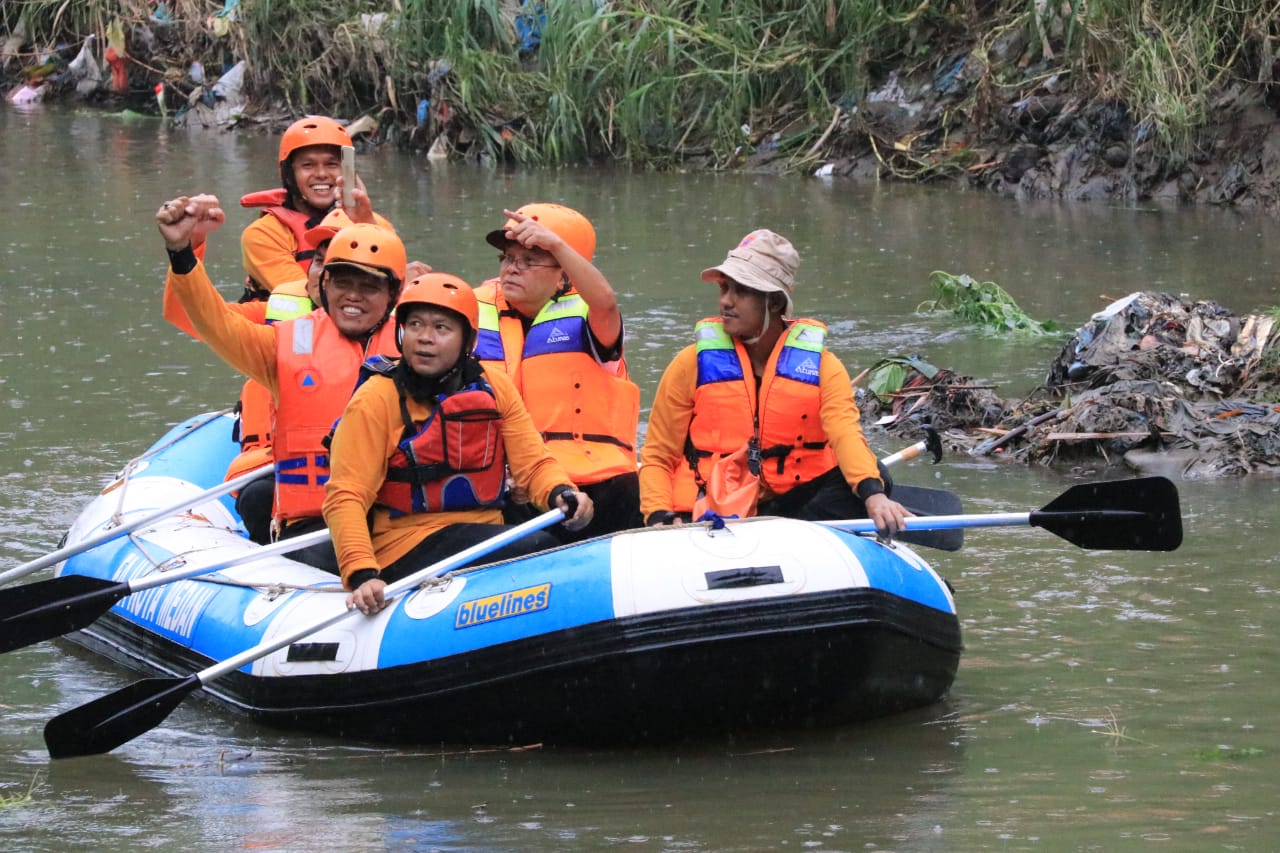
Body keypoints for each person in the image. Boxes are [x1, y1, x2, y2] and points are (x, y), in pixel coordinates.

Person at [157, 194, 406, 572]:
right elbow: (213, 322)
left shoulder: (420, 344)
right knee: (260, 497)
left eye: (369, 285)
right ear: (323, 283)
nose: (353, 295)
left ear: (393, 294)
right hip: (314, 526)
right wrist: (182, 252)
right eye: (341, 281)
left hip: (399, 524)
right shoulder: (281, 345)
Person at [323, 273, 594, 615]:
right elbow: (345, 495)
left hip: (482, 529)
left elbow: (534, 463)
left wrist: (562, 492)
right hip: (405, 543)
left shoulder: (494, 387)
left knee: (568, 535)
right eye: (416, 325)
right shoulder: (376, 398)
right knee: (536, 548)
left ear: (468, 339)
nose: (424, 338)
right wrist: (362, 572)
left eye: (441, 328)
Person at [638, 229, 910, 536]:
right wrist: (658, 514)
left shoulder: (823, 366)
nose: (725, 301)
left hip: (791, 505)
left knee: (876, 477)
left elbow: (845, 433)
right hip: (712, 506)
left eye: (740, 291)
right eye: (724, 288)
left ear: (775, 304)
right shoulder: (690, 363)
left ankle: (800, 535)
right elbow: (658, 454)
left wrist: (873, 495)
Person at [474, 203, 640, 542]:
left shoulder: (591, 315)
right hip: (513, 486)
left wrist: (558, 246)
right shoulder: (474, 310)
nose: (511, 269)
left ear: (564, 273)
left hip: (598, 484)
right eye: (507, 258)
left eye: (529, 260)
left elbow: (606, 300)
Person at [240, 115, 393, 298]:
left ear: (348, 171)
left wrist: (365, 224)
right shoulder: (262, 234)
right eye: (308, 165)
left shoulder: (375, 224)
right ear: (289, 175)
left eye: (332, 164)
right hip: (287, 323)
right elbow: (308, 296)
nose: (321, 174)